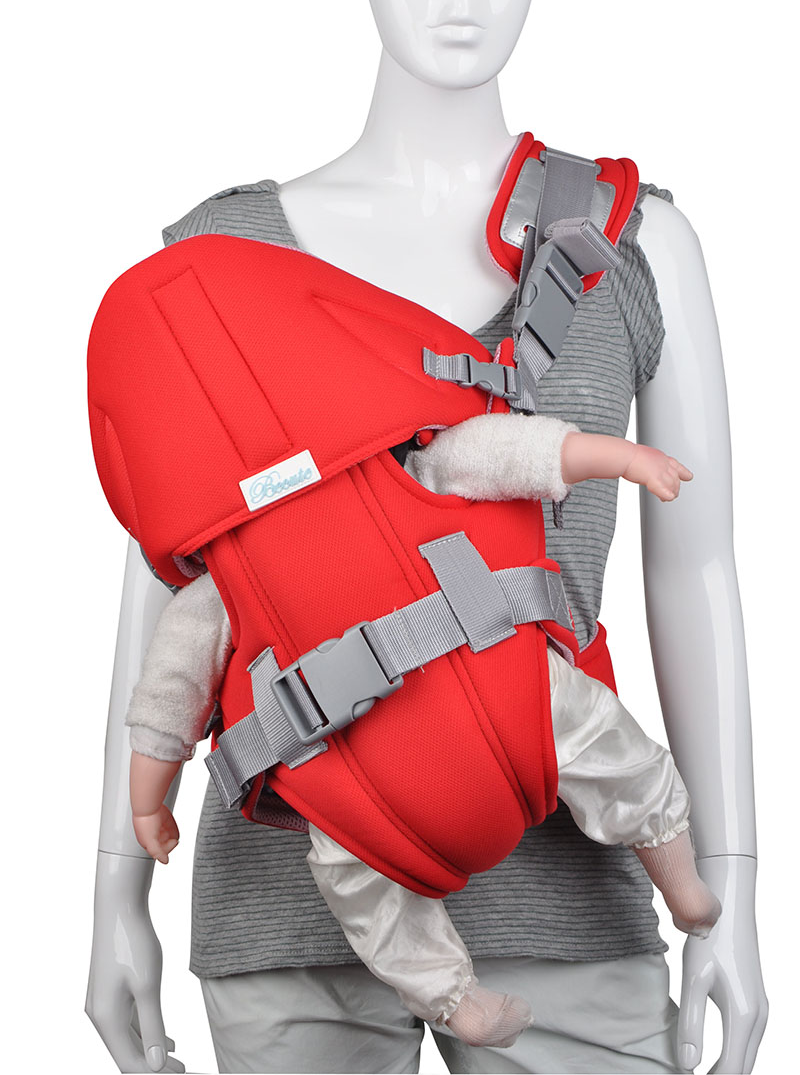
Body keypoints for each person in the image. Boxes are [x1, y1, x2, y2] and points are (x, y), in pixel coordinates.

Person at [86, 0, 767, 1073]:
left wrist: (731, 888)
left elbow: (695, 576)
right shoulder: (212, 266)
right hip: (288, 906)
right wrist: (112, 889)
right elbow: (169, 598)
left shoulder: (632, 242)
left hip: (571, 901)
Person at [126, 414, 721, 1051]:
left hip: (455, 712)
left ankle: (679, 880)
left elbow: (169, 692)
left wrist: (146, 802)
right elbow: (169, 690)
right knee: (362, 871)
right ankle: (459, 1000)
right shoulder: (239, 567)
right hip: (383, 759)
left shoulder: (397, 464)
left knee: (591, 736)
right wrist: (619, 459)